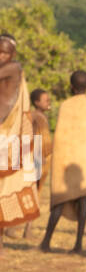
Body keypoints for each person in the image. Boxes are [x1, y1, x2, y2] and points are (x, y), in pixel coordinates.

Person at [41, 70, 86, 254]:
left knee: (59, 201)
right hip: (84, 163)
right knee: (82, 200)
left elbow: (60, 137)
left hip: (66, 162)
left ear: (71, 87)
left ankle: (46, 242)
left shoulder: (65, 106)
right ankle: (78, 244)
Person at [0, 34, 39, 253]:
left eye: (4, 52)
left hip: (7, 135)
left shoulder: (13, 67)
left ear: (12, 54)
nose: (1, 56)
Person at [20, 88, 53, 243]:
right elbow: (42, 140)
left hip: (27, 155)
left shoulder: (30, 116)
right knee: (34, 195)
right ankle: (27, 230)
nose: (49, 102)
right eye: (46, 100)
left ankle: (16, 228)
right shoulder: (40, 118)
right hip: (36, 158)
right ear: (36, 102)